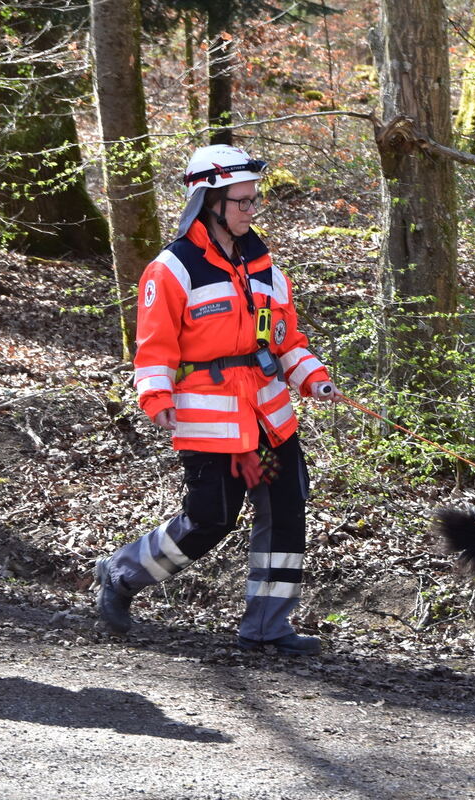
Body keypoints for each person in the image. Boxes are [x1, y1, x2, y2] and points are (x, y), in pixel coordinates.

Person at [94, 143, 342, 655]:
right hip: (210, 422)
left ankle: (268, 626)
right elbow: (153, 346)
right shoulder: (172, 268)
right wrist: (155, 395)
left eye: (254, 200)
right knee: (210, 520)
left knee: (285, 510)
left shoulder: (265, 266)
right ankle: (121, 573)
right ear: (209, 202)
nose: (251, 209)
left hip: (269, 419)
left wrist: (313, 378)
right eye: (241, 201)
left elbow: (286, 342)